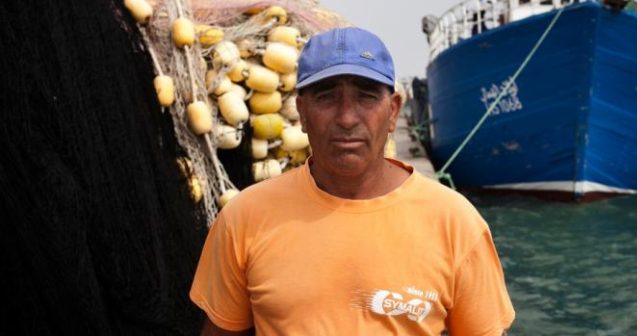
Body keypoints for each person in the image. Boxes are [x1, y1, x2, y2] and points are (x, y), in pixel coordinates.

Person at [189, 27, 515, 335]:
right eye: (326, 97)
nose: (346, 118)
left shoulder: (455, 222)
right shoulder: (244, 218)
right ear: (301, 112)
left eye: (366, 97)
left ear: (393, 111)